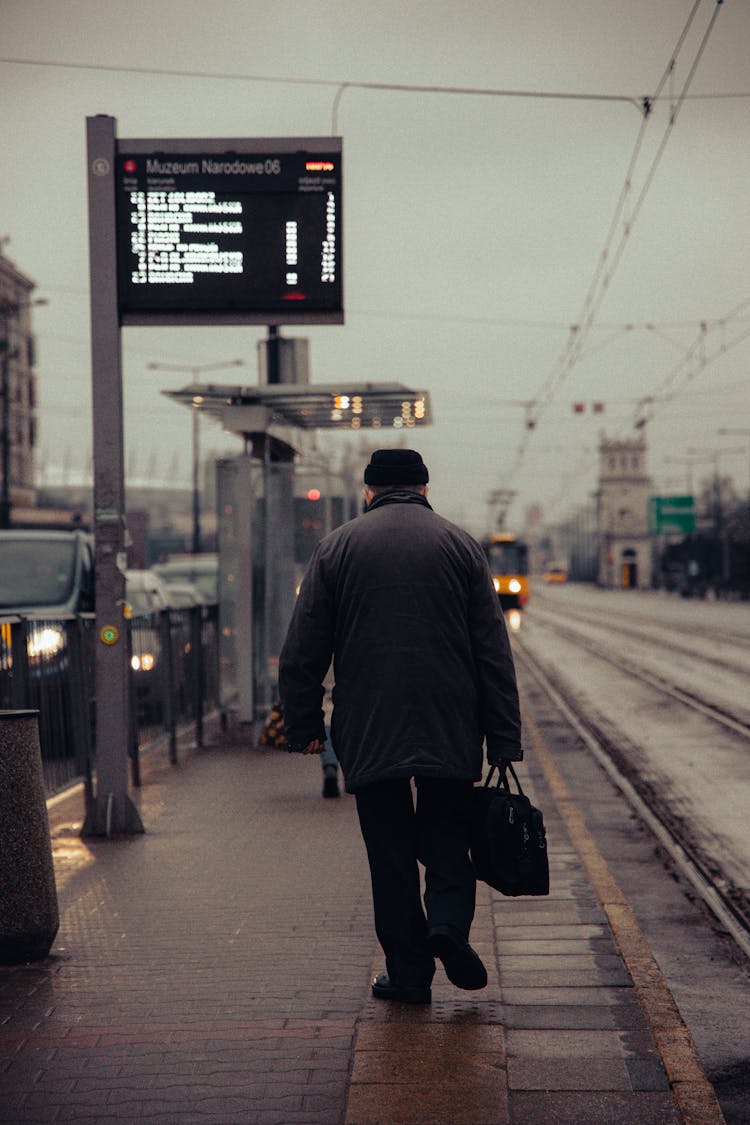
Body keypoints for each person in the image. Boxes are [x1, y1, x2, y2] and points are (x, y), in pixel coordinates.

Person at [279, 449, 522, 1004]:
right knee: (446, 836)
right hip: (450, 720)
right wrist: (504, 736)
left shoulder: (337, 547)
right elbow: (493, 653)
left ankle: (409, 973)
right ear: (424, 487)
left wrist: (304, 724)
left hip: (369, 723)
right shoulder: (461, 545)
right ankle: (447, 928)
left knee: (388, 853)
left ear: (369, 492)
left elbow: (303, 647)